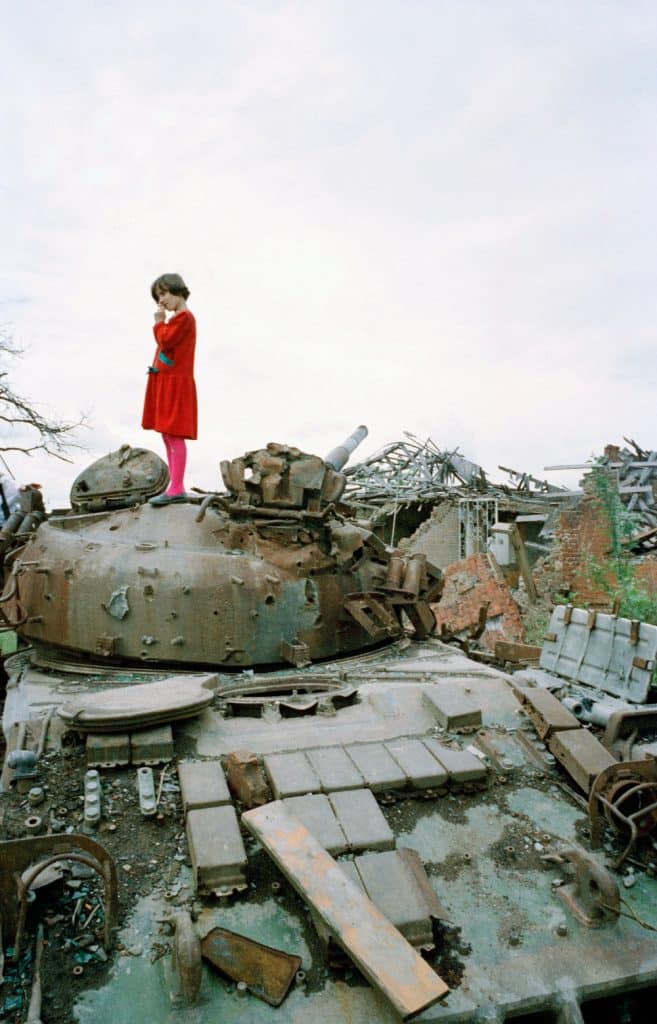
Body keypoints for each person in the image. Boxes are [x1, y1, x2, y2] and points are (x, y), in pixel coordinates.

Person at [142, 273, 197, 506]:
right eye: (158, 296)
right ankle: (175, 485)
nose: (161, 300)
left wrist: (158, 322)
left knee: (174, 435)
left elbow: (166, 341)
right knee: (167, 434)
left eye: (164, 293)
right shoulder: (176, 318)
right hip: (165, 382)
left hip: (176, 383)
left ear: (178, 290)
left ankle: (176, 487)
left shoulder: (184, 318)